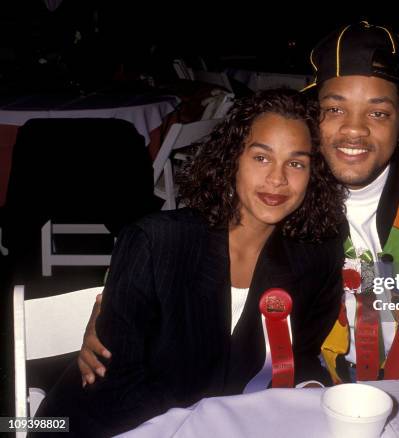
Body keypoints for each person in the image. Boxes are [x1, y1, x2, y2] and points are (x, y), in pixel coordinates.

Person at [79, 21, 399, 389]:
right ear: (315, 117)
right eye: (335, 109)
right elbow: (192, 240)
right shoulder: (290, 191)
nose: (355, 130)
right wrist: (108, 303)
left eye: (378, 113)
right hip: (310, 397)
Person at [33, 89, 346, 437]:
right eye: (261, 157)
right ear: (232, 160)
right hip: (109, 424)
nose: (277, 178)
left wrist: (312, 396)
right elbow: (117, 379)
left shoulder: (313, 257)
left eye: (296, 163)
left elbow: (300, 356)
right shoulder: (156, 243)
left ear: (312, 175)